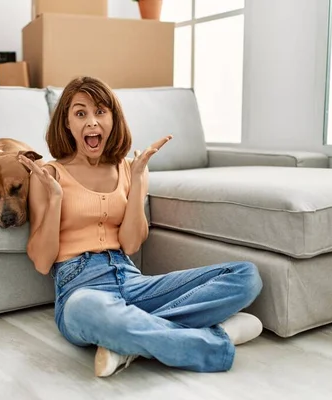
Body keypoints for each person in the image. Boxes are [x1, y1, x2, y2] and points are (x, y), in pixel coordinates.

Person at [18, 76, 263, 378]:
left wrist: (137, 184)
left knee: (246, 276)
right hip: (81, 288)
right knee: (92, 313)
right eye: (80, 113)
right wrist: (55, 199)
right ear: (67, 123)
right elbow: (43, 263)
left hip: (131, 278)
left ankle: (127, 342)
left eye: (100, 112)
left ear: (113, 118)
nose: (92, 122)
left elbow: (132, 245)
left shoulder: (129, 169)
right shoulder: (48, 174)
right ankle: (217, 340)